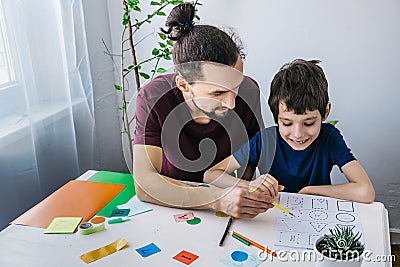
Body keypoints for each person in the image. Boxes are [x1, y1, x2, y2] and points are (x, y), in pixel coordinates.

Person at [133, 3, 273, 218]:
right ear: (184, 85)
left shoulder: (248, 91)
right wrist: (217, 199)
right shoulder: (154, 97)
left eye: (235, 88)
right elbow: (145, 183)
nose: (232, 104)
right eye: (217, 93)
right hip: (171, 206)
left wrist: (249, 189)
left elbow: (257, 154)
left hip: (230, 207)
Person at [204, 59, 375, 203]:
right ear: (276, 116)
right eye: (286, 123)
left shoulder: (329, 137)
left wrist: (310, 191)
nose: (298, 134)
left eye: (308, 123)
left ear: (326, 112)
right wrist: (250, 186)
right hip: (270, 217)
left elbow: (365, 191)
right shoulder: (266, 140)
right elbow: (211, 175)